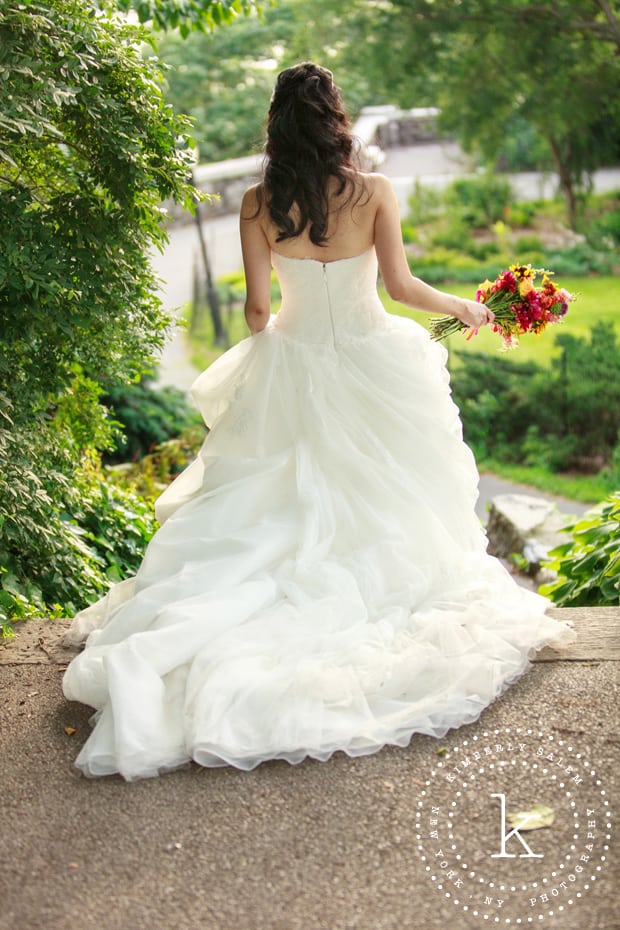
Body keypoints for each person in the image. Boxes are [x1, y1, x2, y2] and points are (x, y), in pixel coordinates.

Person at [62, 62, 574, 781]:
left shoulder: (255, 202)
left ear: (276, 123)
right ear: (336, 119)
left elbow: (257, 312)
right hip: (373, 359)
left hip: (292, 360)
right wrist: (460, 306)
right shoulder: (374, 192)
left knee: (277, 503)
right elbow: (399, 286)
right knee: (385, 497)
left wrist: (263, 351)